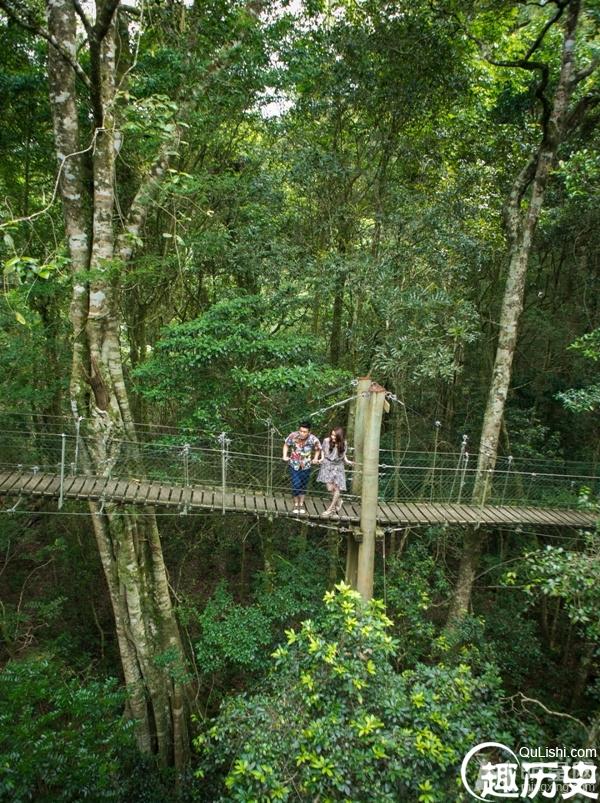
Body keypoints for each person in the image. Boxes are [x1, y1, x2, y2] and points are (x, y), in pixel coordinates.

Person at [283, 421, 322, 514]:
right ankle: (296, 504)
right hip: (294, 465)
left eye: (305, 432)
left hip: (306, 466)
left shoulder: (313, 439)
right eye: (301, 431)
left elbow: (318, 449)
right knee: (296, 484)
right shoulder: (293, 436)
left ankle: (301, 504)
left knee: (303, 485)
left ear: (309, 432)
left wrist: (316, 458)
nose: (302, 433)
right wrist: (284, 455)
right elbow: (286, 445)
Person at [317, 426, 353, 516]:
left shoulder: (343, 443)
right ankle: (339, 500)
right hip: (327, 465)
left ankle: (330, 509)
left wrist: (347, 461)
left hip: (338, 466)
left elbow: (343, 454)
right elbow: (322, 451)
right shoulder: (326, 441)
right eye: (332, 435)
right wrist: (321, 459)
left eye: (334, 435)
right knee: (330, 488)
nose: (332, 437)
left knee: (337, 488)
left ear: (339, 436)